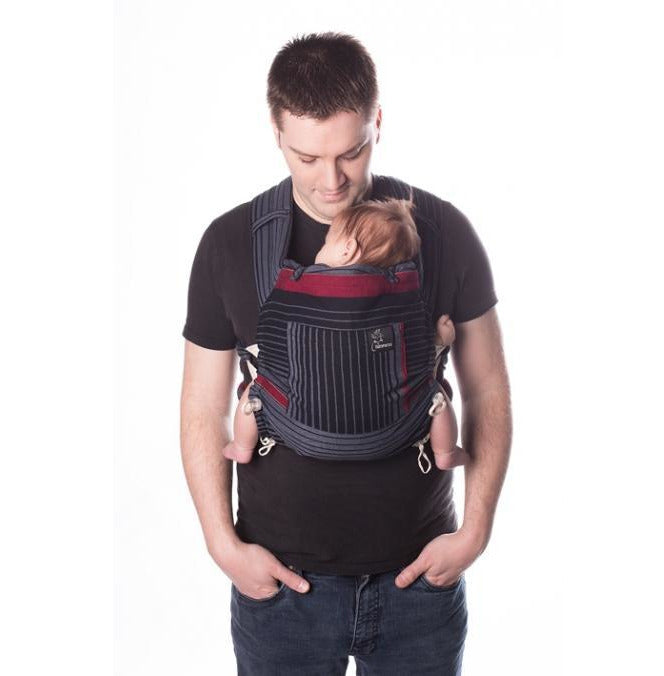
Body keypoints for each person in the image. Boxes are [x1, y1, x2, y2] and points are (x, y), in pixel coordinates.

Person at [180, 31, 512, 675]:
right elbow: (200, 404)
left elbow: (488, 388)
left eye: (352, 152)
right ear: (276, 131)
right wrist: (223, 546)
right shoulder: (230, 242)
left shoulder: (442, 232)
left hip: (419, 583)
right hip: (281, 590)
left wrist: (474, 532)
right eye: (307, 157)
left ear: (377, 121)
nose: (331, 180)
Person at [222, 195, 470, 471]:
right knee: (435, 396)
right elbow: (417, 356)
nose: (320, 250)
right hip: (391, 432)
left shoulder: (296, 290)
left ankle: (242, 446)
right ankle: (445, 452)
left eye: (327, 242)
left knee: (257, 388)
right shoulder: (403, 302)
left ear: (347, 249)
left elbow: (271, 346)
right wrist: (440, 341)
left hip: (299, 429)